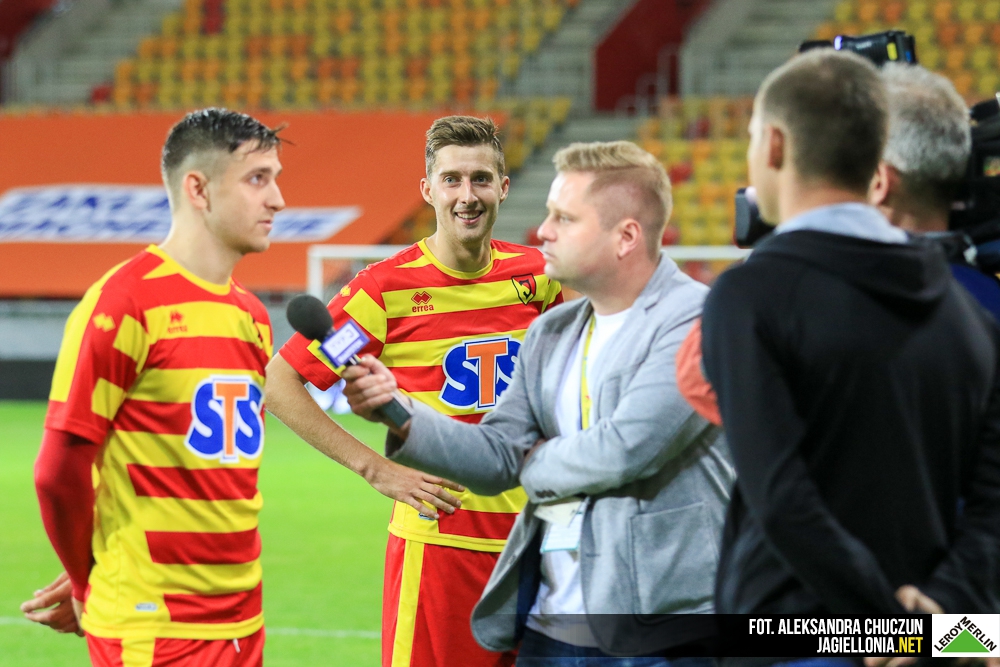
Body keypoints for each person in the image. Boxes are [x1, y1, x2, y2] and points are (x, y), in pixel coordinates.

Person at [341, 140, 731, 664]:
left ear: (625, 237)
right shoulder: (554, 330)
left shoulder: (696, 320)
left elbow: (623, 450)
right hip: (553, 617)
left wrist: (530, 462)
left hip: (658, 622)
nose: (543, 231)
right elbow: (500, 450)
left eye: (564, 218)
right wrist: (399, 413)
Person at [699, 48, 1000, 638]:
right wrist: (934, 621)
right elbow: (993, 500)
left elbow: (781, 499)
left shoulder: (751, 294)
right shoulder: (970, 307)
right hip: (940, 632)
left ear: (775, 146)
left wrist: (879, 618)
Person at [265, 115, 562, 667]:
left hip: (537, 543)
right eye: (452, 180)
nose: (466, 196)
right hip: (442, 549)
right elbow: (280, 382)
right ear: (428, 190)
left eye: (480, 179)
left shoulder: (540, 277)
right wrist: (374, 468)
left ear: (503, 187)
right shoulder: (385, 290)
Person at [21, 108, 285, 666]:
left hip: (242, 620)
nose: (277, 200)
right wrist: (85, 580)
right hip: (153, 627)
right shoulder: (125, 303)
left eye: (275, 179)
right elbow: (58, 470)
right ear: (198, 189)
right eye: (257, 179)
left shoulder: (252, 316)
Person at [676, 61, 998, 425]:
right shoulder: (982, 296)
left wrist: (788, 248)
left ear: (878, 182)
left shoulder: (803, 298)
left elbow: (702, 380)